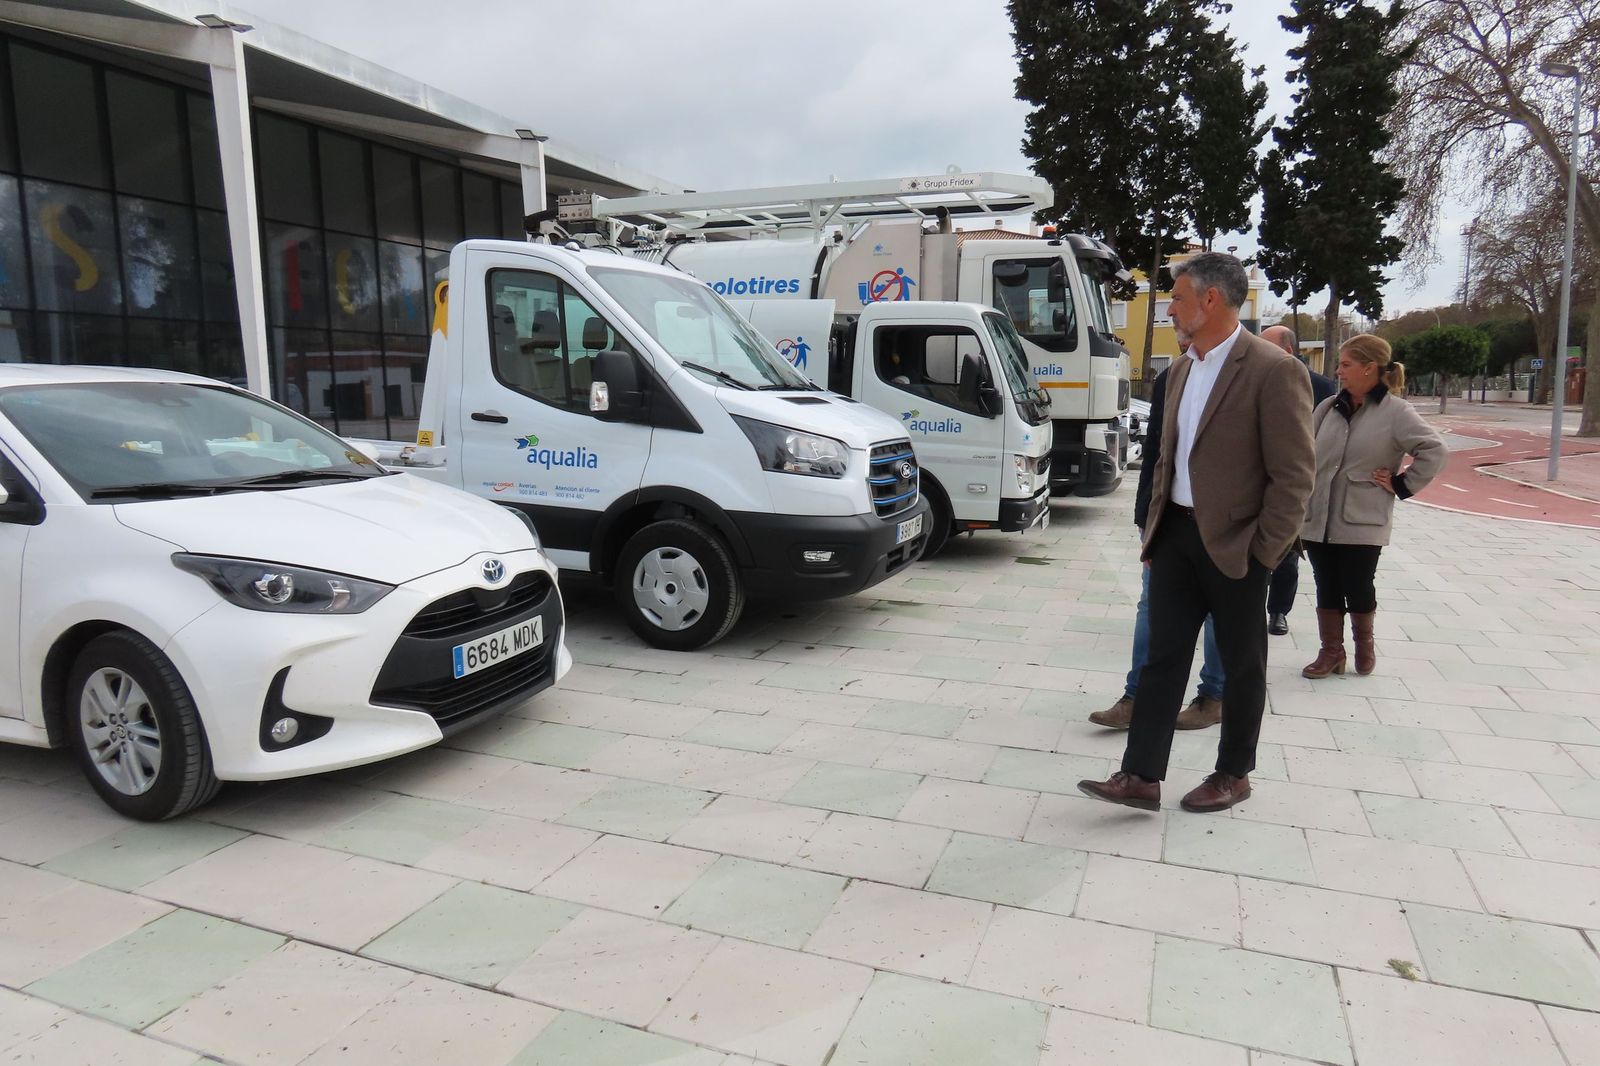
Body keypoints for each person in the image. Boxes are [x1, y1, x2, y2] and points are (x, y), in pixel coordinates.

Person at [1078, 253, 1314, 813]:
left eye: (1177, 298)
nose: (1169, 309)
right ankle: (1140, 776)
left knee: (1241, 663)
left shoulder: (1273, 370)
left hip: (1238, 546)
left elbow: (1295, 477)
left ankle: (1233, 773)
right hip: (1176, 540)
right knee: (1163, 657)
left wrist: (1263, 553)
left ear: (1211, 300)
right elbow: (1165, 460)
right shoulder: (1179, 371)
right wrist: (1154, 534)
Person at [1091, 326, 1224, 733]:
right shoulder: (1173, 376)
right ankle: (1137, 697)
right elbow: (1155, 454)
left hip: (1228, 527)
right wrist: (1143, 518)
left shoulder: (1257, 371)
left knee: (1221, 613)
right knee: (1151, 607)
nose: (1175, 322)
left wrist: (1273, 540)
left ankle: (1214, 695)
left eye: (1181, 307)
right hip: (1171, 521)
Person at [1300, 334, 1446, 678]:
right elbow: (1304, 452)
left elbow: (1434, 450)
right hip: (1318, 516)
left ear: (1370, 368)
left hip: (1363, 518)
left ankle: (1364, 647)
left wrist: (1401, 484)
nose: (1338, 371)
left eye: (1346, 364)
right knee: (1326, 584)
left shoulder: (1397, 413)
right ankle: (1331, 652)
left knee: (1359, 585)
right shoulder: (1327, 407)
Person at [1260, 325, 1337, 636]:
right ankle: (1245, 608)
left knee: (1287, 553)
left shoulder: (1322, 387)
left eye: (1267, 347)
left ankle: (1278, 611)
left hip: (1295, 482)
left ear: (1288, 349)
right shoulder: (1257, 377)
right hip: (1257, 479)